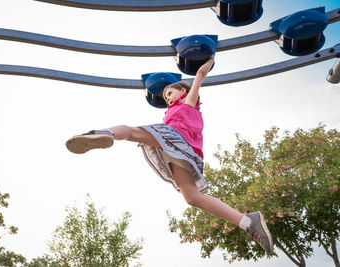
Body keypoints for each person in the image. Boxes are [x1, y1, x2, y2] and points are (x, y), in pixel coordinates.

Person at [65, 56, 274, 254]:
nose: (167, 98)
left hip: (175, 139)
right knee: (191, 197)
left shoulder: (188, 103)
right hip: (178, 151)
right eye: (165, 96)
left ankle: (103, 133)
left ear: (182, 91)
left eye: (169, 94)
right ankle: (248, 222)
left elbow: (199, 76)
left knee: (131, 132)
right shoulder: (171, 111)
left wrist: (210, 59)